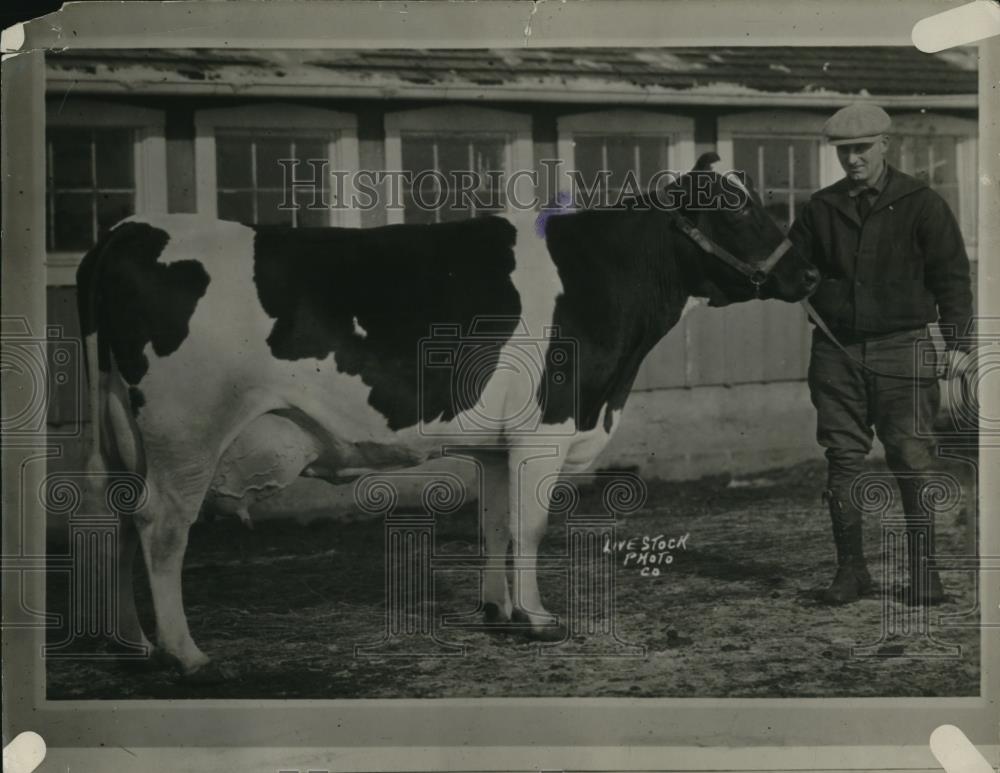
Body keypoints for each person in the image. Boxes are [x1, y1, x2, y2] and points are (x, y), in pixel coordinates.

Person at [789, 102, 975, 606]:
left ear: (885, 146)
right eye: (844, 151)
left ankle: (924, 573)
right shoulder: (820, 208)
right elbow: (790, 270)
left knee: (913, 460)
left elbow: (953, 279)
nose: (852, 159)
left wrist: (958, 344)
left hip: (904, 350)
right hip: (835, 353)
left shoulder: (921, 203)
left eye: (862, 149)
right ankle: (852, 573)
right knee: (843, 459)